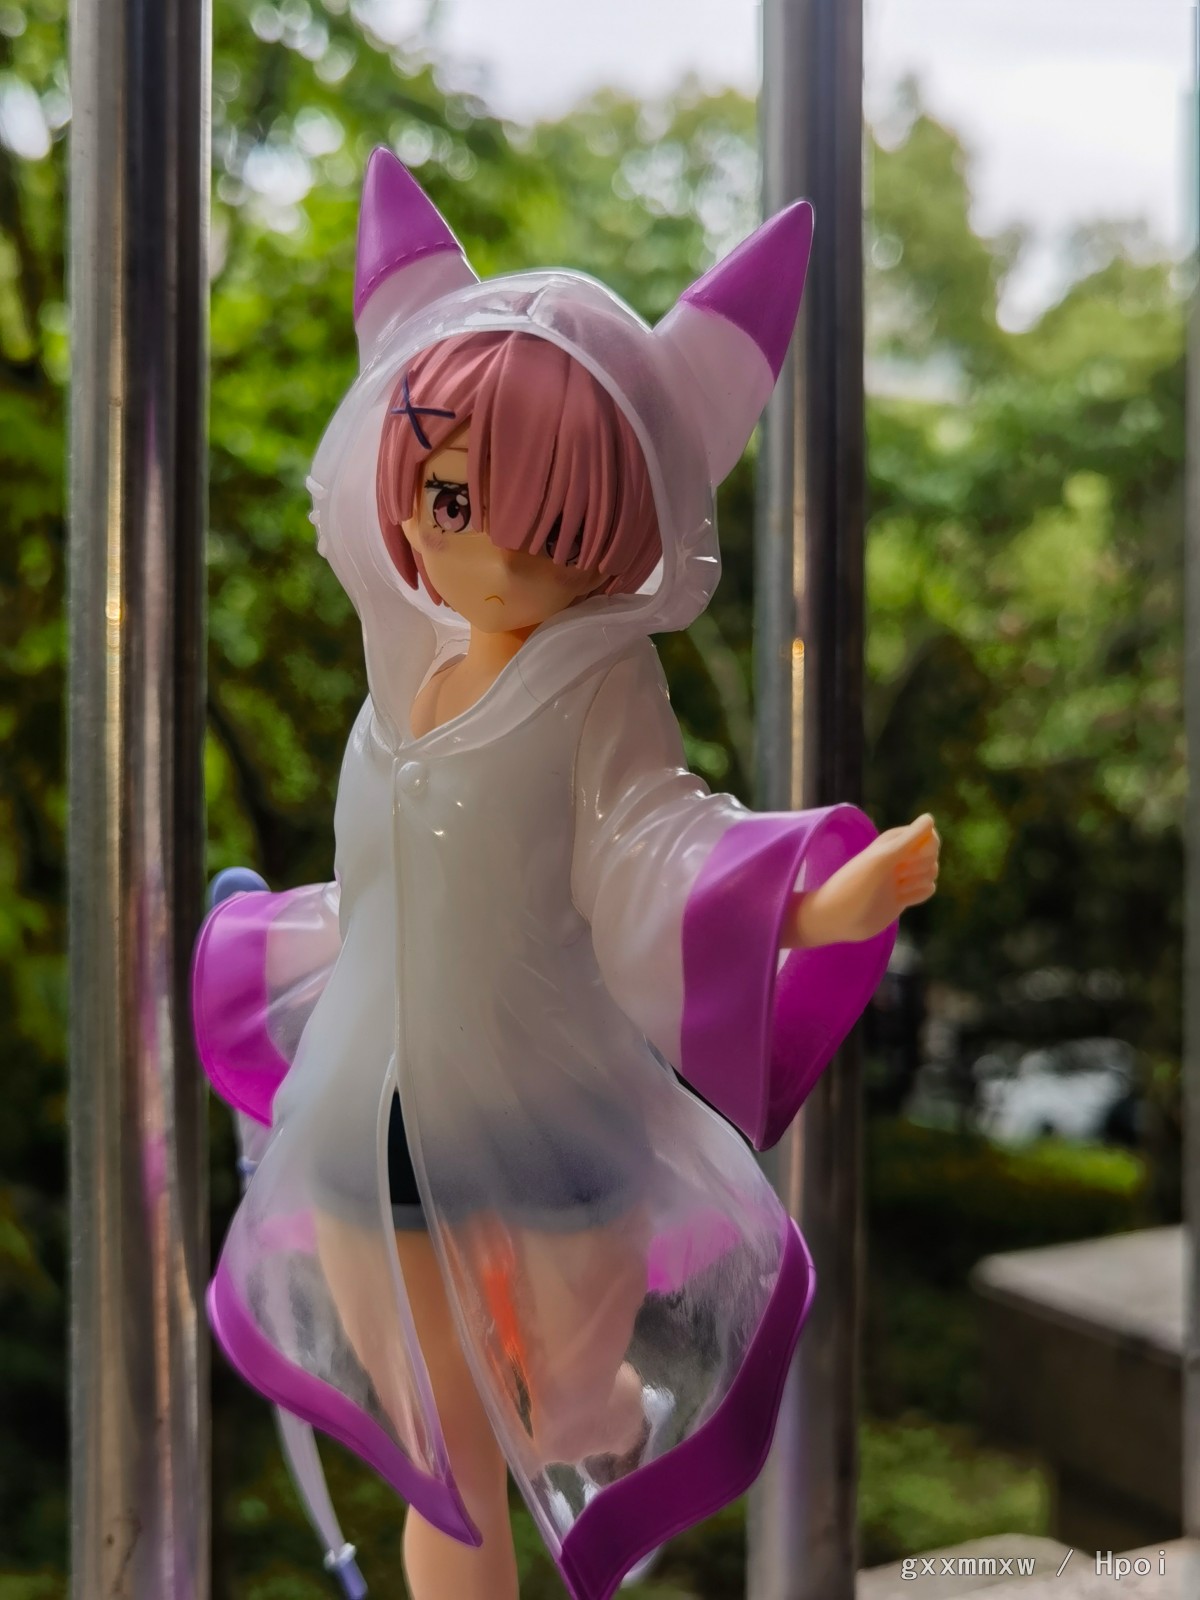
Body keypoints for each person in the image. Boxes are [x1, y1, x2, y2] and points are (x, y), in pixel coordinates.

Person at [193, 150, 940, 1600]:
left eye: (536, 519)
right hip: (365, 1120)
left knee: (518, 1422)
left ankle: (592, 1411)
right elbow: (394, 893)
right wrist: (273, 951)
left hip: (535, 1121)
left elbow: (655, 838)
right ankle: (567, 1425)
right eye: (444, 491)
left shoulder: (595, 687)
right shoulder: (401, 681)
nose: (470, 539)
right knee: (444, 1455)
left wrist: (807, 901)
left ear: (613, 534)